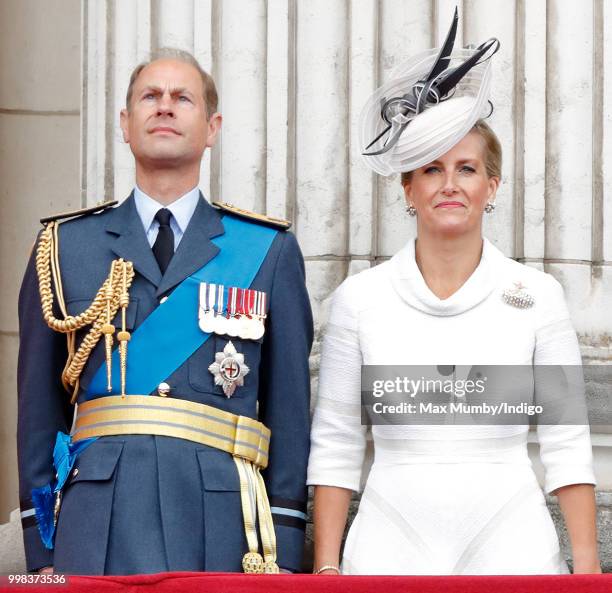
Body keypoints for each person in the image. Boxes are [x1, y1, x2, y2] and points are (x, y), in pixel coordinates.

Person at [307, 11, 600, 576]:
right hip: (387, 537)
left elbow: (566, 443)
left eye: (466, 169)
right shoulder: (359, 299)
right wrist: (326, 570)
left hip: (513, 534)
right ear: (408, 188)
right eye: (431, 169)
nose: (449, 184)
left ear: (491, 187)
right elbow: (338, 443)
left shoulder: (539, 297)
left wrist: (585, 573)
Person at [17, 47, 313, 575]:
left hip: (223, 517)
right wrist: (42, 548)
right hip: (96, 517)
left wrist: (284, 542)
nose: (165, 107)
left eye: (183, 98)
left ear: (212, 127)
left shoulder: (266, 250)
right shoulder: (63, 248)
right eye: (150, 97)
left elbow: (288, 410)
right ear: (125, 125)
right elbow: (40, 410)